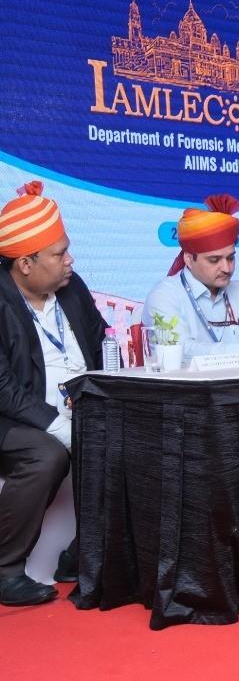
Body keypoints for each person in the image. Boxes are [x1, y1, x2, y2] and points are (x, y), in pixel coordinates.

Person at [0, 180, 108, 606]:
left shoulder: (72, 286)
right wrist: (57, 423)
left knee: (133, 434)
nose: (70, 260)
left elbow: (101, 342)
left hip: (80, 403)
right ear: (25, 263)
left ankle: (85, 555)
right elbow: (2, 387)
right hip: (16, 417)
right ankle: (5, 569)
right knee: (48, 454)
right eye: (59, 253)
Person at [143, 193, 239, 361]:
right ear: (189, 259)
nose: (226, 268)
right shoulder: (164, 296)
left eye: (231, 258)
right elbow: (178, 351)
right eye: (214, 260)